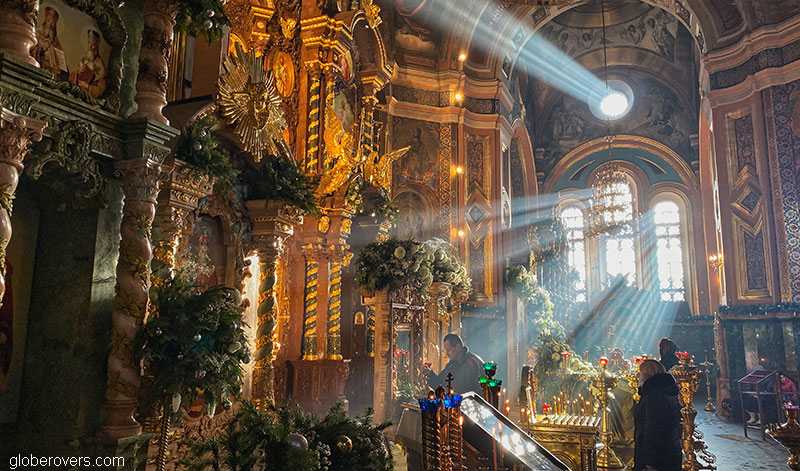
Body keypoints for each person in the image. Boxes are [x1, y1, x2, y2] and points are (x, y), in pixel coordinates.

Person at [634, 359, 682, 471]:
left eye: (640, 373)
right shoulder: (666, 390)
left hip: (660, 458)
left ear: (646, 374)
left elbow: (653, 430)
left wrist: (650, 462)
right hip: (669, 452)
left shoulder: (655, 396)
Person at [30, 7, 68, 81]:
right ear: (45, 20)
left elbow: (63, 67)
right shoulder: (36, 35)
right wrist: (41, 51)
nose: (50, 25)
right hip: (38, 71)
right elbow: (29, 52)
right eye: (49, 21)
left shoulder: (56, 42)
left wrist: (60, 71)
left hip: (51, 77)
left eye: (53, 23)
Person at [69, 30, 107, 98]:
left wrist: (87, 87)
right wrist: (77, 72)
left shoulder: (100, 66)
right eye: (89, 43)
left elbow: (100, 90)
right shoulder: (83, 61)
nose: (91, 47)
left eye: (93, 44)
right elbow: (71, 78)